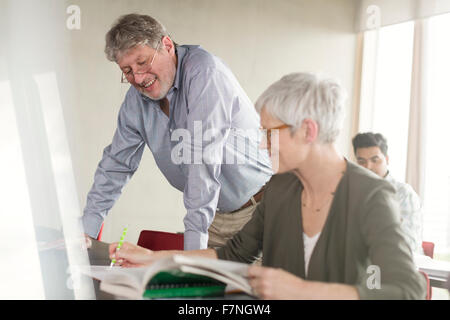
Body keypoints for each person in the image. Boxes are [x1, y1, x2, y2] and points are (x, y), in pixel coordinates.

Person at [108, 72, 426, 299]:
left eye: (269, 132)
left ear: (308, 130)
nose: (261, 145)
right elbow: (234, 254)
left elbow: (407, 291)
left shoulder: (371, 195)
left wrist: (304, 292)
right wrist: (159, 260)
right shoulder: (280, 187)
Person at [81, 14, 272, 250]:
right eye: (127, 70)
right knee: (194, 284)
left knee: (250, 288)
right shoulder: (135, 101)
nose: (138, 78)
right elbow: (116, 165)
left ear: (167, 45)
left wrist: (194, 250)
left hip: (261, 211)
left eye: (142, 62)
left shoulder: (204, 73)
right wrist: (85, 235)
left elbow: (202, 159)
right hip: (214, 215)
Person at [352, 132, 423, 254]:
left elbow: (409, 243)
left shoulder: (404, 194)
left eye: (375, 160)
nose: (368, 167)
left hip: (395, 265)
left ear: (387, 159)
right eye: (361, 161)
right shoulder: (351, 193)